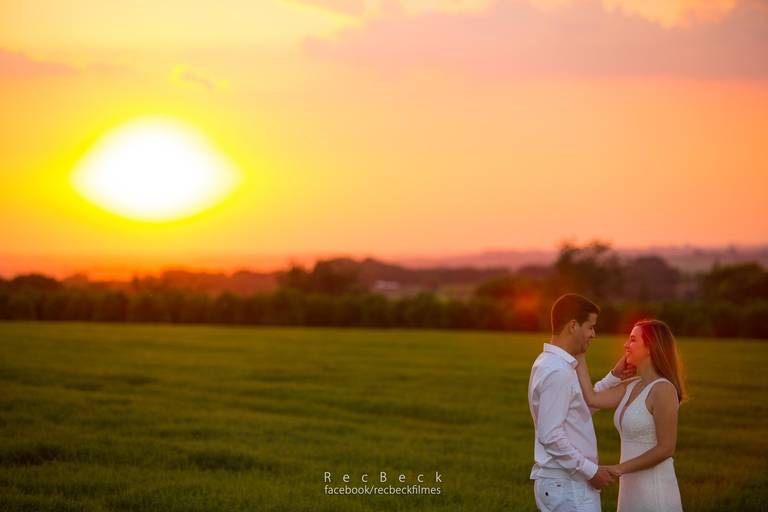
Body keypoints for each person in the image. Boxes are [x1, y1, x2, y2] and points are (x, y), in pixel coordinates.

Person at [528, 293, 635, 512]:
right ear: (573, 326)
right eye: (590, 327)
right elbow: (550, 435)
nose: (593, 334)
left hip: (564, 483)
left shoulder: (552, 363)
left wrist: (614, 377)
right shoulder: (558, 371)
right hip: (568, 486)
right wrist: (590, 471)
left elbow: (581, 408)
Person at [575, 319, 687, 512]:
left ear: (650, 347)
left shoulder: (663, 389)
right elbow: (591, 399)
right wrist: (579, 352)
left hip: (655, 491)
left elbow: (666, 448)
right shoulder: (631, 385)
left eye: (633, 340)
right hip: (630, 489)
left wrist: (619, 469)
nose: (626, 345)